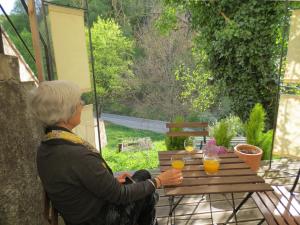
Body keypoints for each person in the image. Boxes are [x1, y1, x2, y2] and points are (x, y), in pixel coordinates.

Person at [28, 80, 183, 225]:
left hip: (83, 211)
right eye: (78, 102)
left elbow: (80, 180)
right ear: (65, 113)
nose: (82, 105)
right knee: (147, 190)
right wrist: (160, 181)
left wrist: (110, 181)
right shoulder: (75, 155)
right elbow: (121, 195)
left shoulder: (48, 146)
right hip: (99, 218)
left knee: (143, 175)